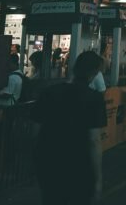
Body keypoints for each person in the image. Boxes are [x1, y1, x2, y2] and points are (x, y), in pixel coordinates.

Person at [32, 51, 107, 205]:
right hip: (79, 164)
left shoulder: (50, 92)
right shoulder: (94, 98)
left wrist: (37, 159)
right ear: (93, 73)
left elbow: (35, 131)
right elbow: (94, 140)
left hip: (49, 161)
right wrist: (98, 180)